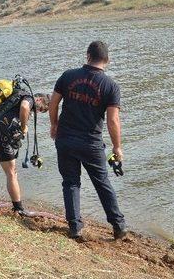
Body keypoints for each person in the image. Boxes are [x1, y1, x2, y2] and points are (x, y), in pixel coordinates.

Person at [49, 41, 127, 240]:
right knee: (102, 183)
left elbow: (53, 103)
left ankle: (75, 227)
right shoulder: (110, 86)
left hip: (65, 139)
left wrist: (54, 125)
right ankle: (118, 226)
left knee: (70, 183)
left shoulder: (68, 76)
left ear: (87, 55)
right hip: (91, 143)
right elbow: (113, 120)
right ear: (107, 60)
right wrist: (117, 147)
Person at [0, 90, 50, 215]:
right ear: (39, 100)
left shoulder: (15, 96)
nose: (36, 112)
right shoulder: (28, 98)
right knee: (12, 173)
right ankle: (18, 208)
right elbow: (24, 107)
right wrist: (23, 128)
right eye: (40, 109)